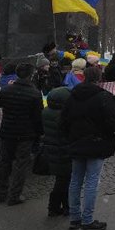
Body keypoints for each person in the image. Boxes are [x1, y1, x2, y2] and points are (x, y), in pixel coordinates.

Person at [61, 66, 115, 230]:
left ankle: (75, 218)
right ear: (99, 78)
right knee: (92, 181)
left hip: (76, 141)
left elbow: (64, 120)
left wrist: (70, 137)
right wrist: (110, 138)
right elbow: (111, 123)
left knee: (75, 180)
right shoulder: (103, 97)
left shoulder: (72, 96)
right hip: (96, 143)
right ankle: (87, 220)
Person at [0, 63, 43, 206]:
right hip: (25, 134)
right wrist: (39, 133)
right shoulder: (34, 93)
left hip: (7, 131)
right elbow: (37, 117)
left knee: (4, 162)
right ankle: (15, 195)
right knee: (21, 164)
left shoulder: (7, 89)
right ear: (30, 75)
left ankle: (1, 193)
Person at [42, 86, 72, 217]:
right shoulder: (64, 116)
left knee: (62, 180)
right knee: (64, 181)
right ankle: (58, 207)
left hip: (52, 149)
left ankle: (59, 207)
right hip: (64, 151)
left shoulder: (46, 112)